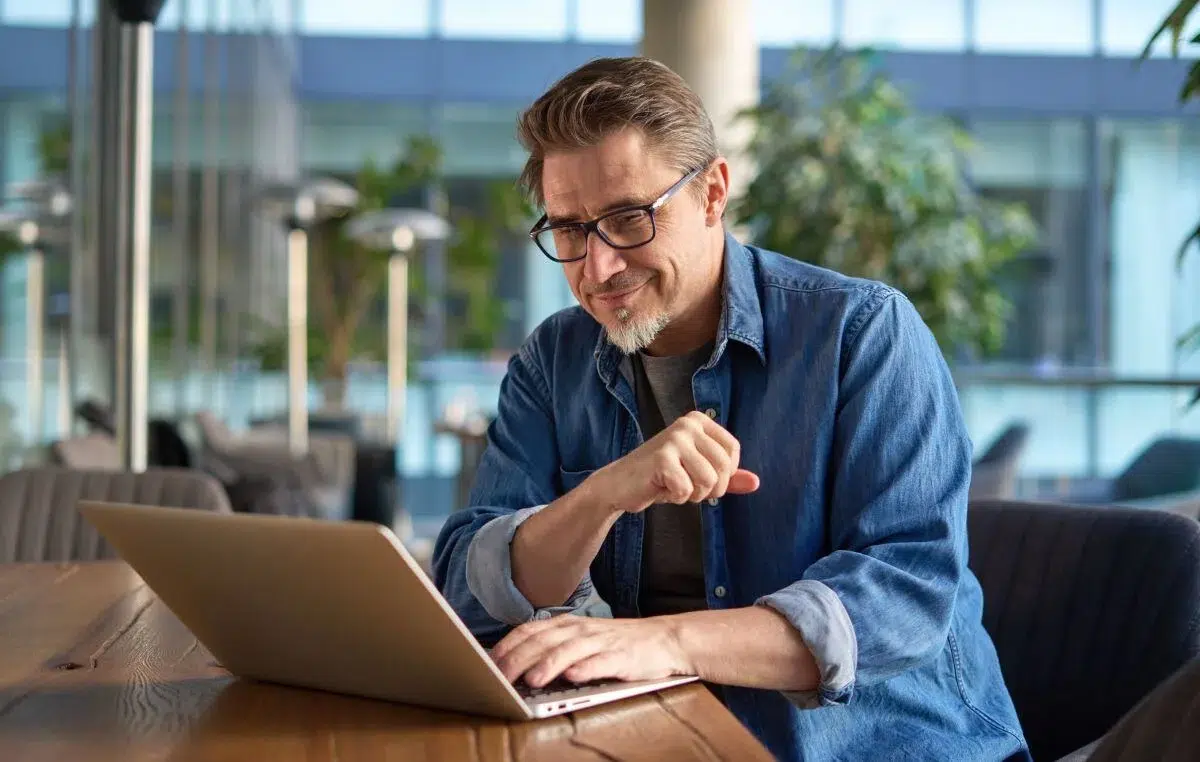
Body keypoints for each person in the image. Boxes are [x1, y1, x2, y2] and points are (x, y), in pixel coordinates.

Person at [432, 56, 1029, 761]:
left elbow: (904, 594)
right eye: (568, 230)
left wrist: (664, 644)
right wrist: (602, 496)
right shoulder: (552, 359)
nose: (597, 269)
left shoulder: (862, 333)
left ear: (713, 193)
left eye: (628, 220)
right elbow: (469, 584)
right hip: (659, 738)